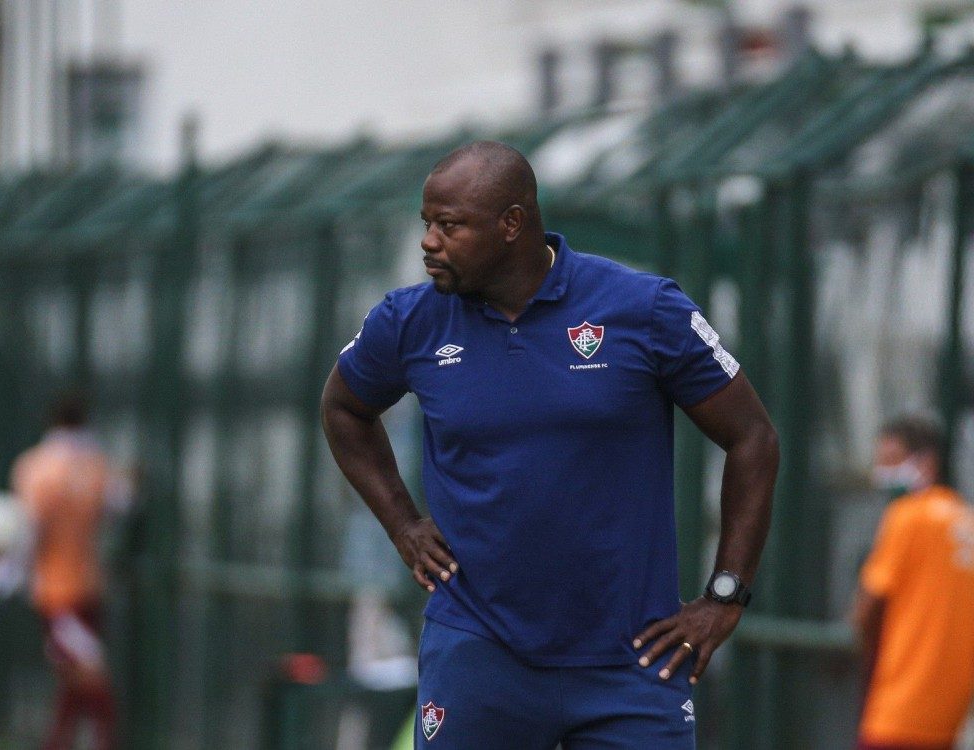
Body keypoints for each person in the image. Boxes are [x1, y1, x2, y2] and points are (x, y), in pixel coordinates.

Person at [320, 141, 779, 748]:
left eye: (450, 225)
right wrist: (403, 525)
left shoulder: (643, 309)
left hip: (632, 659)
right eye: (426, 224)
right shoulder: (410, 321)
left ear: (512, 224)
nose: (429, 241)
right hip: (478, 649)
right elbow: (343, 409)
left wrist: (725, 594)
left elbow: (753, 438)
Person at [851, 416, 974, 750]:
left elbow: (867, 607)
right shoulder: (965, 520)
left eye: (891, 461)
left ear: (927, 462)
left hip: (898, 706)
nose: (881, 472)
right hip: (948, 713)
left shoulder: (907, 516)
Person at [12, 392, 119, 750]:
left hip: (55, 591)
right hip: (86, 588)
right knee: (83, 674)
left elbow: (26, 528)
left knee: (80, 677)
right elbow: (120, 504)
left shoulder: (34, 467)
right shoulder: (98, 465)